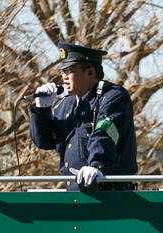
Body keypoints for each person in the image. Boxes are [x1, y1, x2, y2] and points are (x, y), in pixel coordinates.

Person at [30, 43, 137, 190]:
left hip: (110, 192)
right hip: (75, 193)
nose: (64, 77)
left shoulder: (112, 97)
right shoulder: (65, 105)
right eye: (63, 71)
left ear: (90, 72)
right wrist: (41, 111)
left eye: (69, 71)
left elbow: (104, 133)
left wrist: (96, 165)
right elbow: (44, 141)